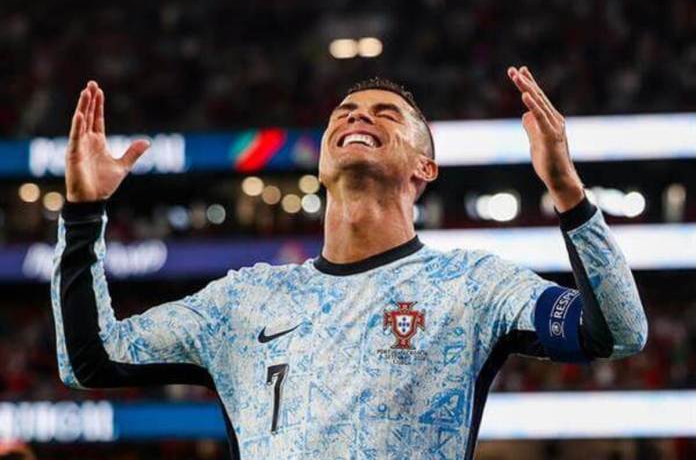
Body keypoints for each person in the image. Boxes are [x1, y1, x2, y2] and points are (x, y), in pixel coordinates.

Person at [51, 67, 648, 459]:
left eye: (385, 113)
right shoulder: (240, 302)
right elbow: (91, 358)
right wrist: (82, 213)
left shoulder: (473, 286)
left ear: (424, 168)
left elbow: (618, 332)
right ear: (321, 164)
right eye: (346, 110)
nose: (358, 115)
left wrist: (567, 192)